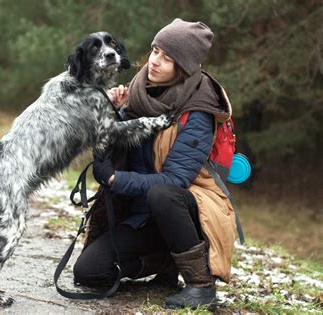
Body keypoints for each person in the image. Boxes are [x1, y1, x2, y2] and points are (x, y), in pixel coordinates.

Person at [73, 18, 237, 310]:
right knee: (89, 272)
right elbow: (109, 155)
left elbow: (175, 180)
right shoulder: (139, 93)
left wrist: (117, 181)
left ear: (183, 67)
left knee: (162, 193)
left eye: (168, 58)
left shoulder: (198, 109)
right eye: (156, 51)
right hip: (142, 214)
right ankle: (165, 263)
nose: (155, 62)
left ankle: (201, 285)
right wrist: (114, 115)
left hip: (191, 210)